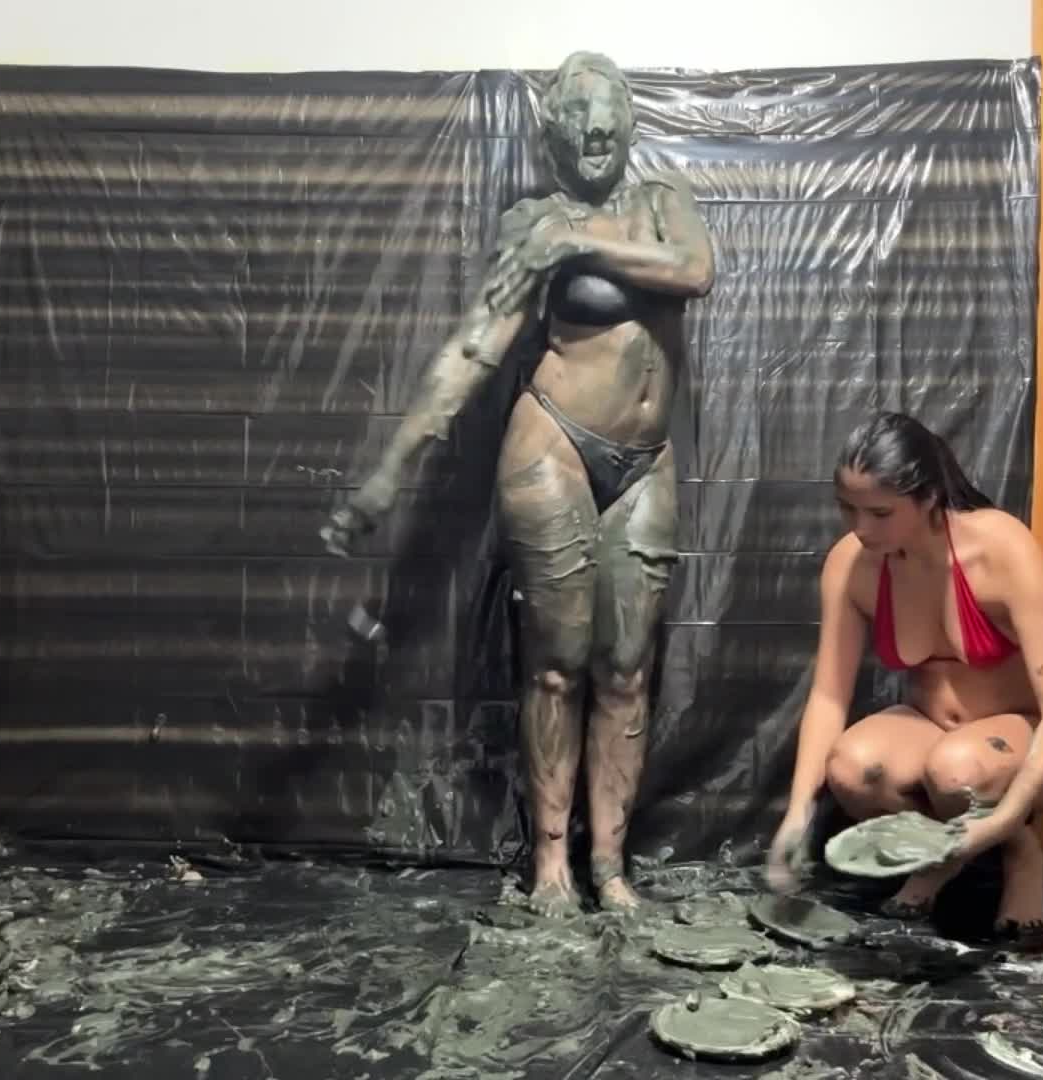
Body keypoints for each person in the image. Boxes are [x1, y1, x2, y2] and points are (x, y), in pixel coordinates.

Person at [322, 51, 716, 917]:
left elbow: (695, 270)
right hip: (554, 447)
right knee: (557, 667)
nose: (595, 130)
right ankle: (550, 865)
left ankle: (610, 865)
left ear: (631, 121)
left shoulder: (660, 204)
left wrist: (577, 241)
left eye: (606, 111)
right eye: (575, 114)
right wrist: (390, 471)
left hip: (645, 463)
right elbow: (476, 346)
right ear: (552, 135)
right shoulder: (531, 221)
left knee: (627, 668)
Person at [764, 411, 1043, 934]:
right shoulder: (852, 564)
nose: (860, 528)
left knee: (956, 770)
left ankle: (1022, 857)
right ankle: (938, 861)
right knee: (852, 767)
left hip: (1041, 739)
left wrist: (1006, 818)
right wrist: (797, 815)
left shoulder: (1000, 548)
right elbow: (829, 697)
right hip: (937, 735)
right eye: (847, 509)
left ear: (928, 499)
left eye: (880, 512)